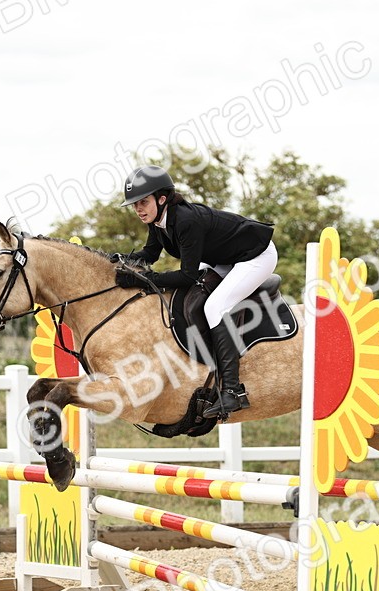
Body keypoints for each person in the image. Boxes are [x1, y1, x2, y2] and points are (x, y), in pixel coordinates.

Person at [114, 165, 277, 419]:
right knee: (192, 298)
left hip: (255, 256)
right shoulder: (157, 220)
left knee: (215, 306)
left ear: (162, 198)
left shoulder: (185, 221)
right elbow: (150, 255)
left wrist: (144, 280)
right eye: (135, 204)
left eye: (143, 202)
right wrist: (117, 260)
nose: (138, 209)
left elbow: (187, 275)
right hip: (224, 258)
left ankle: (232, 392)